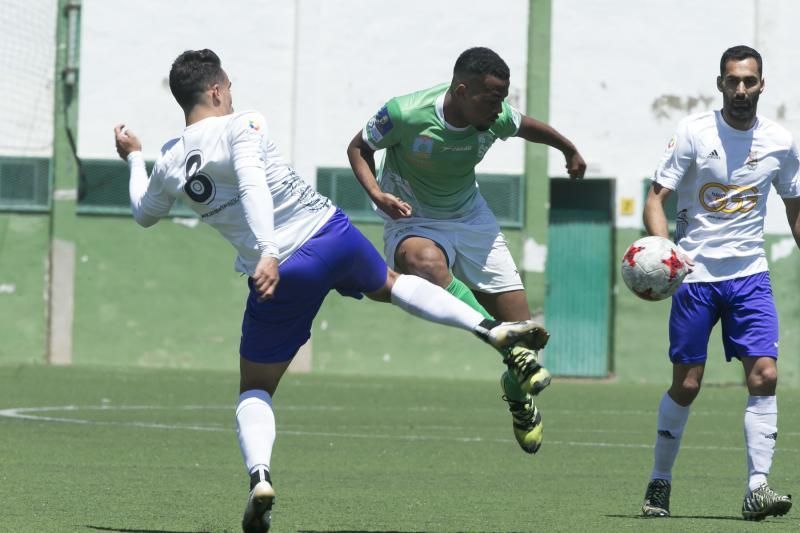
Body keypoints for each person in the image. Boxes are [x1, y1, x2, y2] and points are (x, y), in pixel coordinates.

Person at [113, 49, 550, 533]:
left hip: (280, 276)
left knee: (256, 387)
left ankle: (260, 478)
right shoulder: (244, 124)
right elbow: (254, 184)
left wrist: (135, 157)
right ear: (216, 90)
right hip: (326, 234)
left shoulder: (171, 160)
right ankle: (488, 328)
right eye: (229, 87)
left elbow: (142, 212)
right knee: (393, 284)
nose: (232, 94)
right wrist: (268, 249)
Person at [346, 46, 586, 453]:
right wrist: (376, 193)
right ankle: (502, 343)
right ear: (461, 90)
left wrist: (569, 149)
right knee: (422, 262)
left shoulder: (495, 117)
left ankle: (517, 395)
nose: (500, 108)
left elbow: (528, 127)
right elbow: (358, 147)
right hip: (414, 218)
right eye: (492, 99)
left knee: (528, 342)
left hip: (473, 221)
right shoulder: (406, 113)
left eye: (503, 98)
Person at [640, 45, 800, 521]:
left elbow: (795, 209)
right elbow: (656, 198)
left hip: (750, 275)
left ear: (762, 85)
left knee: (765, 377)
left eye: (750, 81)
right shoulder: (693, 132)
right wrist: (665, 252)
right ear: (721, 84)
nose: (741, 90)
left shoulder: (782, 141)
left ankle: (757, 488)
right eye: (733, 81)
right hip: (695, 278)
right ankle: (660, 482)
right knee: (687, 385)